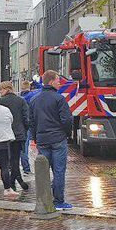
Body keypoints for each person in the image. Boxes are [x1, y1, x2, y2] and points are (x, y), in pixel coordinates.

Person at [28, 70, 75, 209]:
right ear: (51, 82)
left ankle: (43, 199)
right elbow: (67, 120)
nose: (59, 82)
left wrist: (35, 138)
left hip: (42, 139)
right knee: (59, 170)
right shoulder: (59, 99)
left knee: (43, 171)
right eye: (57, 80)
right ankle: (59, 201)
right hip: (58, 139)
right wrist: (66, 134)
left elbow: (32, 122)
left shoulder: (34, 100)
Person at [0, 81, 31, 190]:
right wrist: (24, 130)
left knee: (7, 161)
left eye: (1, 89)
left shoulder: (0, 102)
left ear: (7, 89)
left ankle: (13, 183)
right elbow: (26, 118)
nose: (0, 91)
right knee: (15, 160)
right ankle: (17, 181)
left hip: (5, 135)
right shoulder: (21, 101)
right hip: (18, 134)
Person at [20, 81, 39, 175]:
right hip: (27, 126)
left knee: (20, 148)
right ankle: (26, 169)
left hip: (18, 126)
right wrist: (36, 82)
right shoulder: (31, 95)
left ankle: (15, 167)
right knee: (25, 147)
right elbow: (42, 88)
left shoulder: (19, 98)